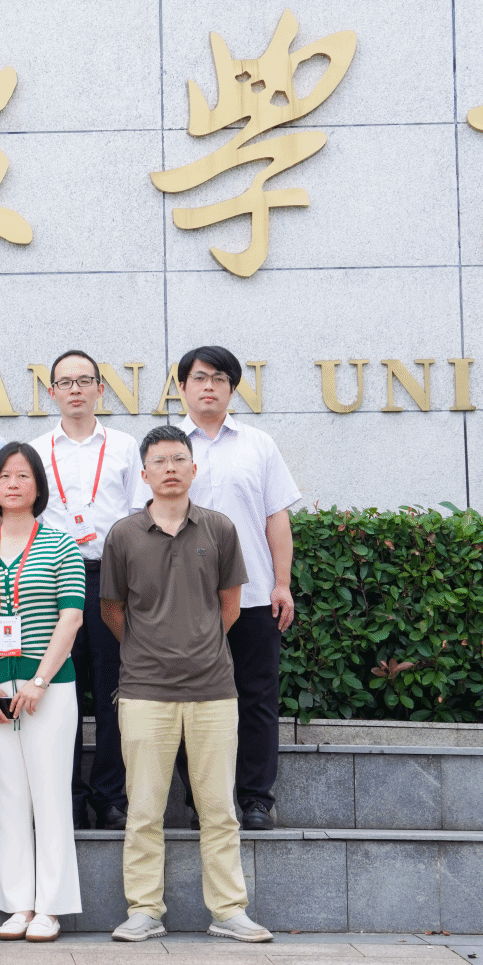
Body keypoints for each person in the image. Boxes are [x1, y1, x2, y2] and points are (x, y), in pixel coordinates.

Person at [101, 425, 272, 944]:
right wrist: (150, 649)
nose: (170, 469)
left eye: (179, 459)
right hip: (144, 690)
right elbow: (113, 610)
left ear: (194, 469)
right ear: (144, 473)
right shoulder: (123, 535)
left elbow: (230, 606)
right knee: (143, 810)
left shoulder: (219, 529)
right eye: (159, 461)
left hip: (213, 689)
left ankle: (229, 911)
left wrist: (197, 643)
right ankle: (143, 910)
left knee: (219, 810)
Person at [0, 442, 86, 942]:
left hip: (48, 687)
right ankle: (17, 904)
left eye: (23, 475)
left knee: (50, 794)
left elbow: (70, 618)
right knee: (7, 795)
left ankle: (51, 906)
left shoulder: (60, 544)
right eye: (4, 476)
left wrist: (39, 682)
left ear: (38, 486)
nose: (13, 484)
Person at [176, 345, 301, 831]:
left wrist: (282, 584)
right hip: (184, 603)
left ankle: (255, 800)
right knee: (188, 703)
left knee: (256, 700)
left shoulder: (259, 445)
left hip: (251, 596)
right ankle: (201, 803)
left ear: (232, 389)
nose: (209, 386)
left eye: (220, 379)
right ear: (182, 386)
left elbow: (276, 519)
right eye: (199, 377)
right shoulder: (167, 446)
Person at [28, 350, 146, 833]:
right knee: (61, 693)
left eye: (84, 381)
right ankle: (68, 798)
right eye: (65, 382)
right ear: (51, 392)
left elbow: (140, 515)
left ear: (100, 387)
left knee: (114, 690)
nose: (74, 390)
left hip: (110, 578)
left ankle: (111, 797)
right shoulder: (35, 451)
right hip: (53, 581)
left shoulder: (124, 446)